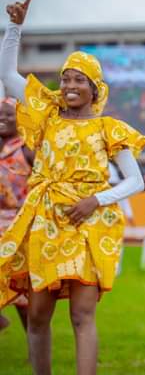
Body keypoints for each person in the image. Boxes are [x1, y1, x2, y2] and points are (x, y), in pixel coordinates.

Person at [0, 0, 145, 375]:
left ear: (94, 89)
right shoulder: (47, 113)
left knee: (82, 316)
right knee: (36, 315)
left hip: (86, 224)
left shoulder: (107, 128)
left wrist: (95, 201)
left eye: (78, 79)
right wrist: (14, 27)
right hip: (44, 221)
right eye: (65, 77)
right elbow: (7, 75)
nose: (69, 84)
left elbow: (135, 181)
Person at [0, 94, 33, 335]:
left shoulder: (26, 149)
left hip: (20, 228)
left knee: (24, 297)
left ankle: (36, 343)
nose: (2, 118)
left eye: (8, 114)